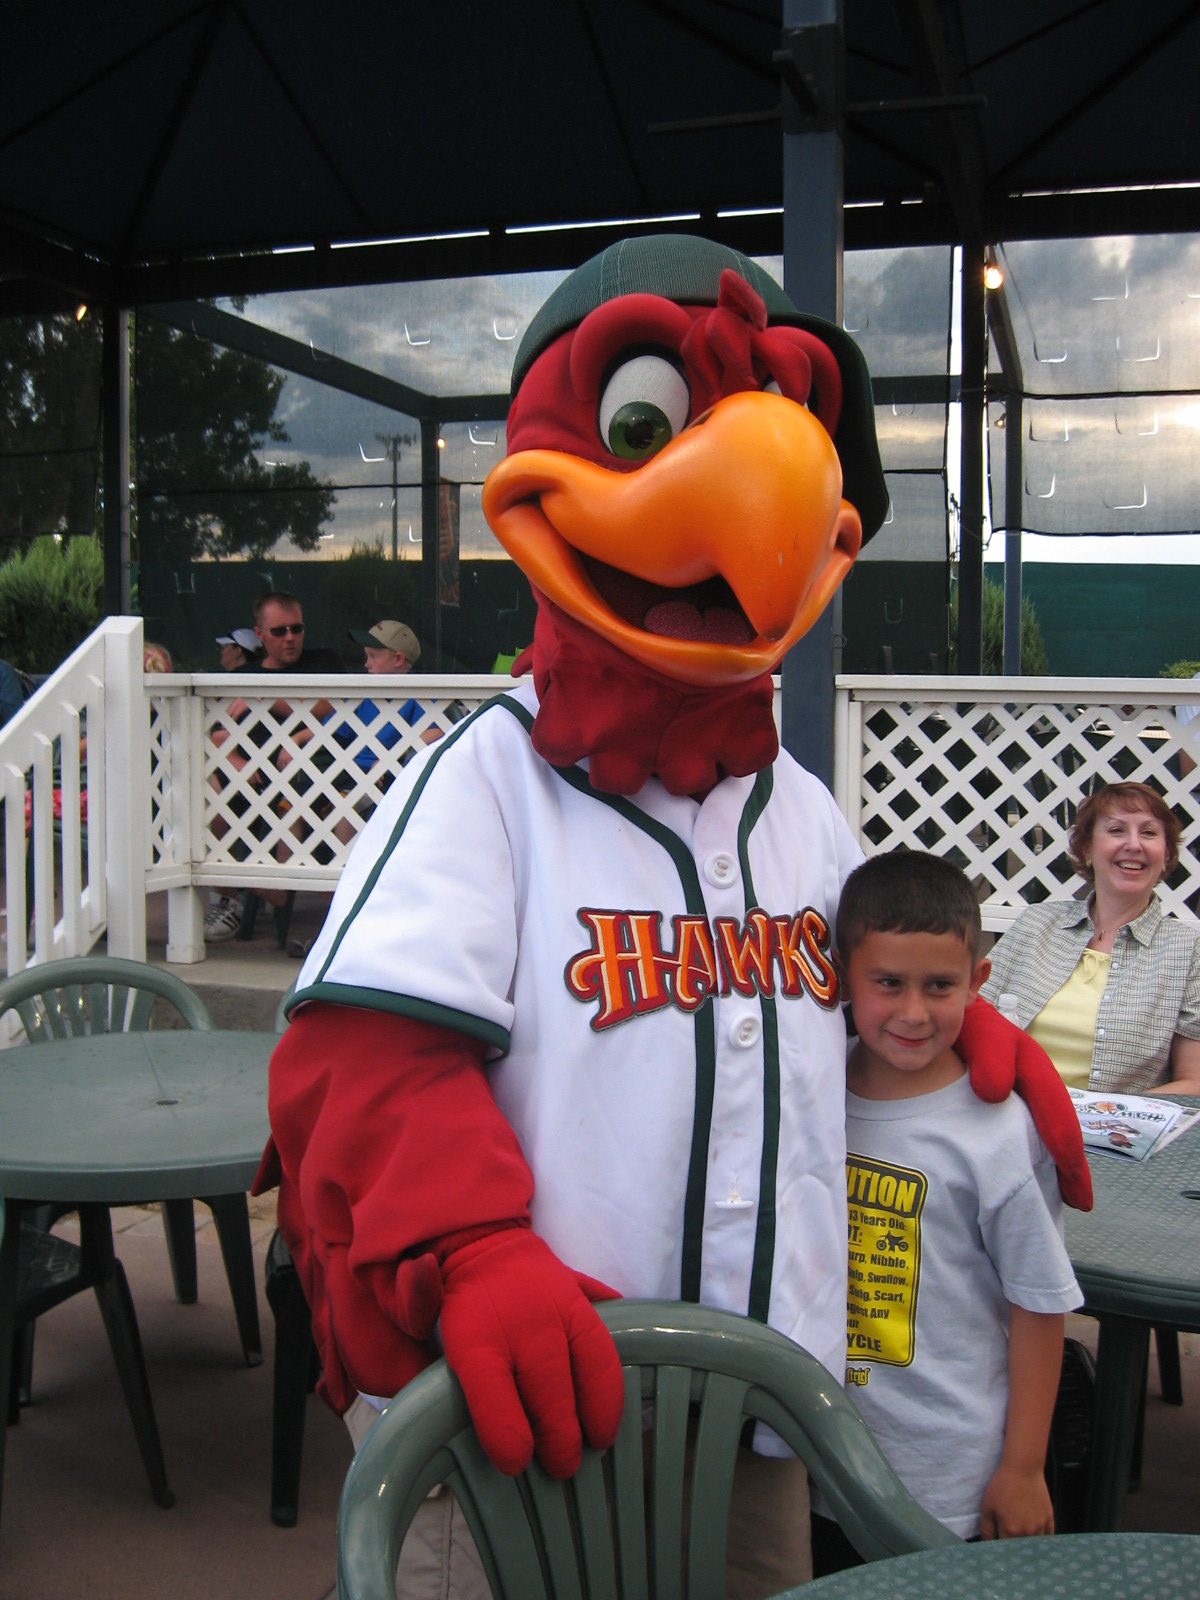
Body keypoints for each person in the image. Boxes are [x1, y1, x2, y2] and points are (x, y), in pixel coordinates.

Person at [812, 852, 1082, 1570]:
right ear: (843, 975)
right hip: (818, 1457)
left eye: (939, 986)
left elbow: (1039, 1303)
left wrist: (1023, 1467)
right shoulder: (810, 1092)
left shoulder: (999, 1134)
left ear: (979, 983)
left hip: (950, 1475)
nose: (912, 1012)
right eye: (888, 983)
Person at [982, 781, 1200, 1095]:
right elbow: (973, 1016)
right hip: (1007, 1113)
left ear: (1165, 854)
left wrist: (1105, 1116)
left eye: (1149, 833)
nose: (1134, 845)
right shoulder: (1037, 923)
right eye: (1116, 830)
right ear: (1087, 849)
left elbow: (1193, 1082)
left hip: (1110, 1136)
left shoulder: (1189, 952)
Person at [204, 593, 343, 942]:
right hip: (249, 780)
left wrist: (266, 697)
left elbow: (329, 709)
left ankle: (254, 886)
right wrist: (232, 757)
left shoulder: (322, 663)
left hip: (306, 781)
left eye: (296, 628)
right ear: (260, 633)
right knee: (201, 786)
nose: (290, 637)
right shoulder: (244, 676)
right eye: (279, 631)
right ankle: (232, 897)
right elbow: (215, 733)